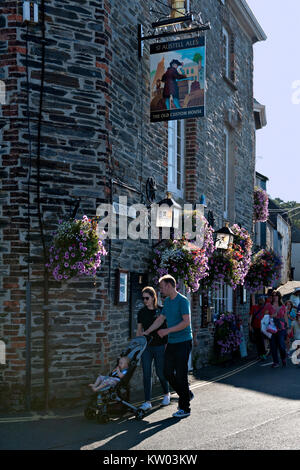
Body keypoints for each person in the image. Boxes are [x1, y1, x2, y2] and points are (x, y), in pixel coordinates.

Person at [142, 275, 193, 419]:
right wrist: (147, 332)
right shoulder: (167, 302)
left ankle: (185, 408)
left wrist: (167, 331)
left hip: (183, 341)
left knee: (181, 374)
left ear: (170, 286)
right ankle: (186, 394)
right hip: (172, 342)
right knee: (167, 372)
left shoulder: (182, 301)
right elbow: (160, 319)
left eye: (162, 286)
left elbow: (186, 322)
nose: (161, 289)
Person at [136, 286, 170, 411]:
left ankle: (166, 394)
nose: (145, 300)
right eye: (143, 298)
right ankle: (147, 402)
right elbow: (139, 331)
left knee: (161, 373)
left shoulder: (161, 311)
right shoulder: (141, 312)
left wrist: (167, 346)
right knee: (146, 374)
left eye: (147, 298)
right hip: (147, 348)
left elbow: (166, 330)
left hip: (160, 346)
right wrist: (137, 344)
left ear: (153, 297)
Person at [264, 291, 288, 368]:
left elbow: (285, 317)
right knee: (273, 346)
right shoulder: (268, 305)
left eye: (276, 295)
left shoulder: (283, 306)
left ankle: (283, 358)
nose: (275, 297)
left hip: (281, 328)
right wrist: (272, 315)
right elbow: (266, 316)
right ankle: (276, 362)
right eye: (273, 296)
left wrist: (287, 328)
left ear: (279, 297)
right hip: (272, 329)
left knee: (281, 345)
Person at [249, 296, 267, 360]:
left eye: (262, 300)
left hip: (263, 327)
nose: (261, 301)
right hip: (255, 326)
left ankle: (263, 354)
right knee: (257, 341)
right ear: (258, 301)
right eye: (260, 300)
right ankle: (259, 354)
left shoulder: (265, 308)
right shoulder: (254, 307)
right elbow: (251, 316)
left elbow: (267, 317)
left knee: (262, 341)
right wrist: (250, 325)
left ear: (264, 301)